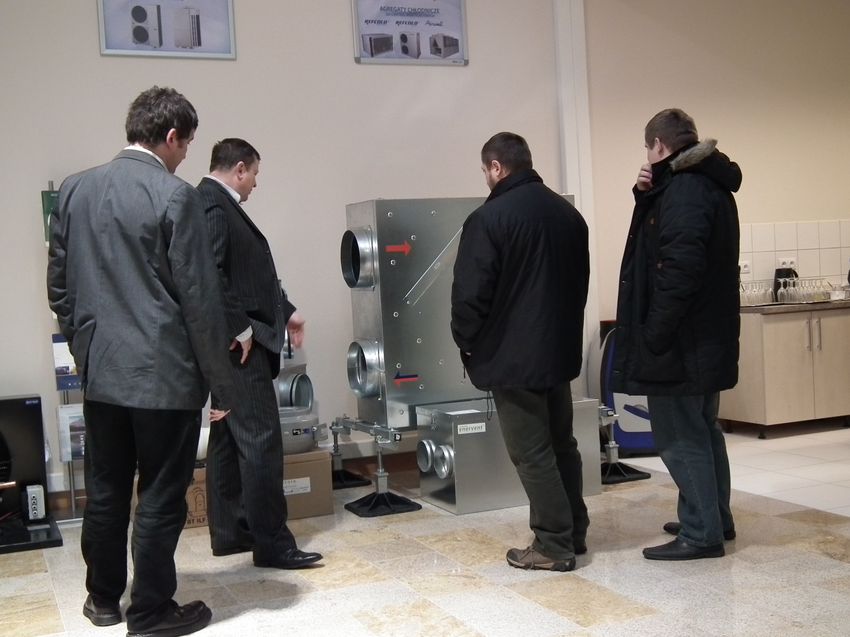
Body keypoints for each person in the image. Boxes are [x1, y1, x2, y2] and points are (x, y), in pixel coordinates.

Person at [47, 87, 234, 636]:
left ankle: (102, 600)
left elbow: (59, 288)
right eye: (187, 144)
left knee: (106, 488)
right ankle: (150, 611)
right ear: (171, 136)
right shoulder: (176, 196)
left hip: (102, 374)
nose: (186, 155)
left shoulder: (75, 189)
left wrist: (85, 349)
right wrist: (221, 385)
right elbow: (200, 301)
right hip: (165, 378)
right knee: (160, 493)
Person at [451, 132, 590, 572]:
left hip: (512, 358)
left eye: (485, 170)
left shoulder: (488, 219)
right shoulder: (569, 215)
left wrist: (467, 342)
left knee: (532, 453)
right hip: (558, 351)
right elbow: (579, 285)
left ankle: (553, 544)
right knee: (562, 444)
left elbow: (470, 294)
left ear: (496, 167)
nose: (485, 178)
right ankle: (574, 531)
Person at [611, 108, 741, 560]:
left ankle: (702, 532)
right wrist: (645, 194)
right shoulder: (705, 183)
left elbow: (678, 270)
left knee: (679, 435)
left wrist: (655, 334)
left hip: (681, 340)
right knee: (703, 429)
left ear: (659, 145)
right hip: (704, 337)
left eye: (648, 149)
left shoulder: (685, 190)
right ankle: (713, 517)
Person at [197, 138, 322, 570]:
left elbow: (247, 277)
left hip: (232, 346)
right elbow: (210, 274)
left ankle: (233, 532)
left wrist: (287, 312)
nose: (255, 184)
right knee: (261, 442)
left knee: (228, 440)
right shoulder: (213, 204)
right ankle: (272, 543)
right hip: (240, 349)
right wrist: (243, 327)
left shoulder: (215, 203)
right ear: (239, 169)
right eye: (254, 175)